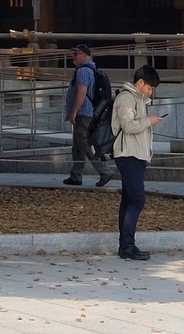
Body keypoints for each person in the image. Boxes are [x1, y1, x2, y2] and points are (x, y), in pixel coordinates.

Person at [110, 63, 163, 262]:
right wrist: (149, 121)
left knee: (129, 199)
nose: (150, 92)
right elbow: (129, 126)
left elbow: (137, 123)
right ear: (140, 82)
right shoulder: (126, 98)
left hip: (137, 154)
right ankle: (128, 245)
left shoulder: (139, 99)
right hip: (128, 153)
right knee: (137, 199)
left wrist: (149, 118)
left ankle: (126, 245)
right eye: (149, 87)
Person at [61, 42, 114, 189]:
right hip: (86, 113)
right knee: (78, 146)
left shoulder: (83, 71)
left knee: (84, 144)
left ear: (84, 56)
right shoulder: (89, 69)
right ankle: (75, 176)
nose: (73, 57)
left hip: (84, 113)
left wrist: (73, 112)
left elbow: (82, 92)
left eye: (76, 54)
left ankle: (105, 171)